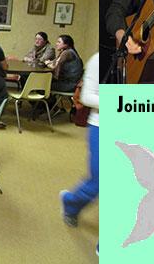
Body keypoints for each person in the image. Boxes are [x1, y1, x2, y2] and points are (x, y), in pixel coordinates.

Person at [60, 52, 99, 229]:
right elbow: (86, 97)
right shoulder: (99, 59)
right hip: (101, 125)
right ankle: (71, 202)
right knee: (100, 181)